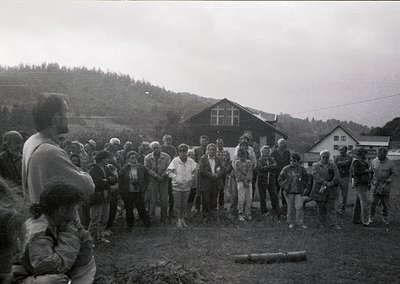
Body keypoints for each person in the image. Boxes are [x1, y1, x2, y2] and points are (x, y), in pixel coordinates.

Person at [18, 178, 96, 284]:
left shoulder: (55, 219)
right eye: (75, 207)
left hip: (34, 271)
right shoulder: (39, 232)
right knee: (56, 281)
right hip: (21, 277)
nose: (76, 211)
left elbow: (86, 246)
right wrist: (70, 235)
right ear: (62, 210)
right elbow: (51, 268)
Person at [22, 93, 94, 204]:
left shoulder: (30, 142)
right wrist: (84, 173)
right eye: (66, 112)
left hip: (37, 215)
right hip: (54, 219)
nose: (68, 118)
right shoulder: (51, 152)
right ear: (57, 117)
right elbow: (87, 186)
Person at [88, 150, 117, 244]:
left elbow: (114, 179)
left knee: (104, 218)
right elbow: (97, 182)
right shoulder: (93, 169)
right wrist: (107, 181)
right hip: (97, 197)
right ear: (102, 158)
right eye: (107, 158)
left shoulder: (107, 168)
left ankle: (100, 237)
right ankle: (90, 240)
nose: (108, 159)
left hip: (106, 196)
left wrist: (106, 180)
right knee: (95, 219)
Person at [166, 144, 197, 228]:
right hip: (177, 187)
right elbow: (168, 172)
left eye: (184, 150)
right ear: (178, 152)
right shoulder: (175, 160)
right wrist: (176, 178)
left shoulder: (190, 161)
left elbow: (195, 170)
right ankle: (178, 221)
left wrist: (191, 177)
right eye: (181, 151)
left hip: (187, 187)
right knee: (177, 205)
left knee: (184, 205)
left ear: (187, 151)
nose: (183, 152)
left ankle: (183, 220)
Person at [119, 151, 151, 229]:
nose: (134, 159)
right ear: (128, 159)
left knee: (141, 208)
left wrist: (143, 186)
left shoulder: (141, 167)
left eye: (136, 157)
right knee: (129, 209)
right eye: (132, 157)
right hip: (128, 192)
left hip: (138, 191)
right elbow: (120, 180)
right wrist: (123, 190)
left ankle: (147, 224)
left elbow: (147, 178)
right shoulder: (124, 168)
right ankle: (130, 225)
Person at [310, 150, 341, 229]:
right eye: (323, 156)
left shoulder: (333, 165)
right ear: (320, 157)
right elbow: (316, 176)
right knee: (320, 208)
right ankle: (321, 224)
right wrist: (325, 183)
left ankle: (333, 224)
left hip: (331, 189)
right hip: (319, 190)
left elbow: (337, 175)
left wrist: (331, 183)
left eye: (327, 157)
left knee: (331, 207)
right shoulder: (315, 165)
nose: (325, 158)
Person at [278, 153, 309, 229]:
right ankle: (290, 222)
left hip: (299, 192)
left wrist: (304, 187)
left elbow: (306, 179)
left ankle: (300, 223)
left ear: (298, 161)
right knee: (290, 208)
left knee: (299, 207)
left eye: (294, 160)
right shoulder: (286, 169)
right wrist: (284, 187)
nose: (292, 162)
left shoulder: (302, 169)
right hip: (289, 192)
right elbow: (280, 179)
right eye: (290, 160)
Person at [145, 141, 171, 223]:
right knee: (152, 200)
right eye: (154, 148)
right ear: (152, 149)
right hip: (153, 181)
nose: (156, 149)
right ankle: (151, 217)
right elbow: (147, 169)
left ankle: (164, 217)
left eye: (157, 147)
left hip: (164, 181)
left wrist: (163, 175)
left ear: (160, 147)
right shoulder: (147, 157)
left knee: (164, 200)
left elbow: (169, 167)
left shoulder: (166, 156)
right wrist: (156, 176)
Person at [370, 147, 397, 225]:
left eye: (380, 154)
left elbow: (394, 174)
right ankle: (370, 217)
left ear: (385, 154)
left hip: (385, 186)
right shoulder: (374, 161)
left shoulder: (390, 163)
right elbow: (371, 172)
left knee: (385, 203)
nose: (378, 155)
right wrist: (370, 182)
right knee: (372, 202)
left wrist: (387, 181)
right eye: (377, 153)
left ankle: (384, 218)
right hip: (375, 185)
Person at [199, 143, 225, 221]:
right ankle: (205, 217)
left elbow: (223, 169)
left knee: (214, 201)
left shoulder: (218, 159)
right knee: (205, 201)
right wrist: (212, 175)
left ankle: (213, 217)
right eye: (210, 149)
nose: (212, 151)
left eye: (214, 150)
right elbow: (202, 170)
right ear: (207, 150)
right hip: (206, 183)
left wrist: (217, 175)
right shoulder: (203, 158)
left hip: (215, 182)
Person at [257, 145, 279, 217]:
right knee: (262, 196)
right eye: (264, 151)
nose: (266, 153)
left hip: (271, 179)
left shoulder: (272, 159)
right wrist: (270, 167)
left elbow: (276, 166)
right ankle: (264, 212)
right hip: (262, 180)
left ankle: (276, 210)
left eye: (267, 151)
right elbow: (260, 168)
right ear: (262, 152)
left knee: (274, 195)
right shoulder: (259, 159)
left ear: (269, 152)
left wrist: (267, 167)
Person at [351, 147, 371, 226]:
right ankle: (365, 221)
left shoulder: (362, 161)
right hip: (359, 183)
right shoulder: (356, 161)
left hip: (364, 183)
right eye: (364, 153)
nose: (365, 155)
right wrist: (366, 171)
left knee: (358, 202)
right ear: (360, 153)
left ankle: (355, 219)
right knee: (364, 202)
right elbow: (355, 172)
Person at [270, 138, 291, 216]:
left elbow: (290, 162)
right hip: (276, 175)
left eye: (283, 143)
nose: (282, 144)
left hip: (285, 176)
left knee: (285, 192)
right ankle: (275, 209)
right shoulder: (273, 152)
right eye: (280, 143)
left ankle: (285, 209)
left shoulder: (287, 152)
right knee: (275, 192)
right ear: (277, 144)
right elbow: (272, 162)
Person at [161, 134, 178, 217]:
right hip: (162, 172)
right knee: (163, 193)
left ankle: (171, 211)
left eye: (170, 140)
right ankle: (163, 213)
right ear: (163, 141)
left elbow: (175, 159)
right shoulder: (161, 148)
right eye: (166, 140)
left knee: (172, 193)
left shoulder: (173, 149)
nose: (168, 142)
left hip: (171, 172)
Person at [234, 148, 253, 221]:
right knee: (241, 198)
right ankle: (240, 213)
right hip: (240, 182)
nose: (242, 157)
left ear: (246, 155)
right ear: (238, 156)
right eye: (240, 156)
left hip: (248, 182)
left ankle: (247, 213)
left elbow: (250, 172)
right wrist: (244, 180)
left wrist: (247, 179)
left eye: (244, 155)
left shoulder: (249, 162)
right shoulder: (237, 163)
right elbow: (237, 173)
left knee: (249, 198)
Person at [193, 135, 209, 213]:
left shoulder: (209, 149)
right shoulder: (196, 150)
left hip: (207, 173)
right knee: (198, 191)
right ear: (200, 141)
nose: (204, 142)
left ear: (207, 142)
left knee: (206, 190)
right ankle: (197, 208)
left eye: (205, 140)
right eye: (202, 140)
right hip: (199, 172)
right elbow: (194, 160)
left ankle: (206, 208)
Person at [334, 146, 352, 212]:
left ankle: (343, 208)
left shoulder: (349, 157)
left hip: (345, 178)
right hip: (337, 178)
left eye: (342, 150)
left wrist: (340, 162)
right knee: (336, 194)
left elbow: (348, 163)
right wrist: (343, 163)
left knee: (344, 194)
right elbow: (335, 164)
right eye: (340, 150)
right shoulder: (337, 157)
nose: (341, 151)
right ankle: (336, 208)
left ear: (346, 150)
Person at [216, 138, 232, 210]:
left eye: (221, 143)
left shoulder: (226, 152)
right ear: (216, 144)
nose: (220, 144)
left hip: (224, 173)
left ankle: (221, 206)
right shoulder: (214, 151)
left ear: (223, 144)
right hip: (216, 173)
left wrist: (227, 169)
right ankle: (214, 205)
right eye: (218, 143)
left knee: (222, 189)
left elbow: (229, 162)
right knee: (215, 189)